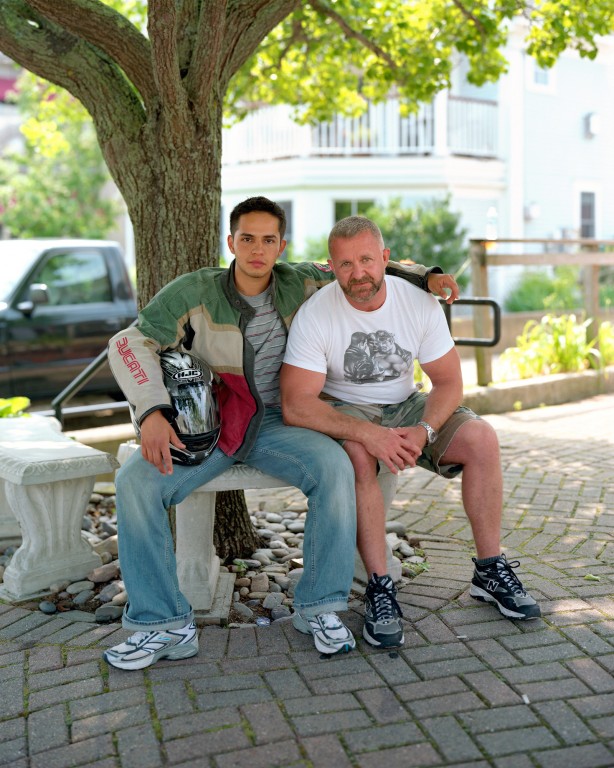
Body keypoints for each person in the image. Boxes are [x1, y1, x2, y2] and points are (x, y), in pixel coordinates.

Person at [103, 197, 459, 670]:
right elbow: (130, 342)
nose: (257, 249)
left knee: (334, 466)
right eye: (246, 239)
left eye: (268, 240)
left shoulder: (302, 279)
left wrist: (428, 277)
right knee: (134, 482)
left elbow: (372, 265)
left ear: (280, 245)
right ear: (231, 242)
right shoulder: (194, 290)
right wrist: (151, 411)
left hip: (279, 423)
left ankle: (320, 608)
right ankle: (162, 624)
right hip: (213, 427)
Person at [281, 215, 541, 650]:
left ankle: (489, 569)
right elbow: (297, 403)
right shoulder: (317, 313)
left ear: (385, 259)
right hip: (347, 406)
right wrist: (367, 432)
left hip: (407, 402)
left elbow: (449, 383)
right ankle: (380, 588)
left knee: (482, 439)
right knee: (360, 457)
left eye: (366, 259)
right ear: (331, 266)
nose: (357, 273)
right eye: (345, 264)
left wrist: (423, 430)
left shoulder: (417, 303)